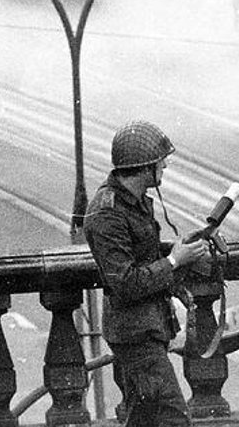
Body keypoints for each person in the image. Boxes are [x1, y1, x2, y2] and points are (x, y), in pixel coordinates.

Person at [84, 120, 209, 427]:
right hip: (135, 336)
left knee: (145, 418)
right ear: (143, 168)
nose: (165, 165)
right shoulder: (107, 212)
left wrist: (177, 251)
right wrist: (174, 262)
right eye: (159, 162)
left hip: (148, 328)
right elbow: (125, 282)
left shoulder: (133, 201)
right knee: (174, 419)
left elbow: (141, 254)